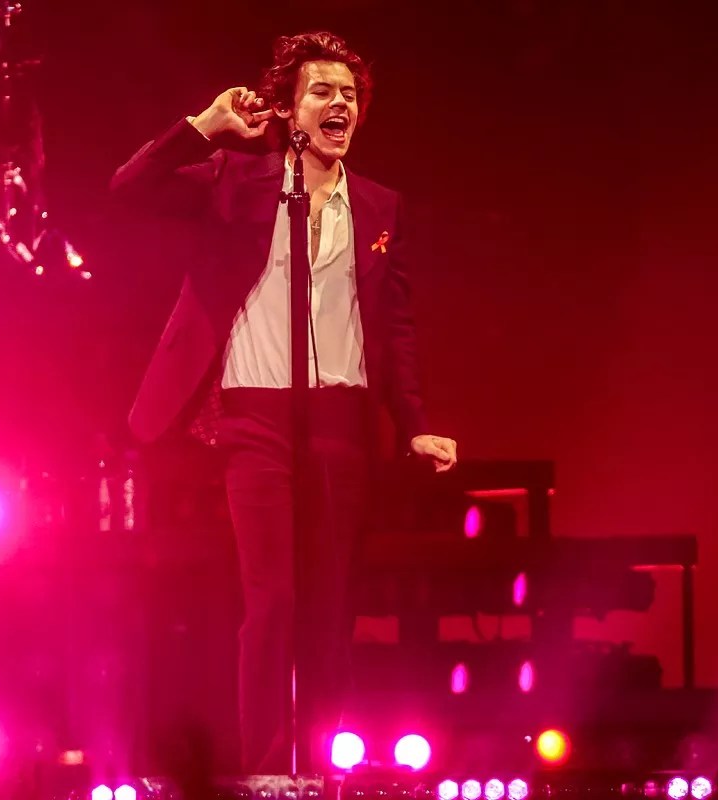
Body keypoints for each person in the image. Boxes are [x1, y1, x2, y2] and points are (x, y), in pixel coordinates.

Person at [108, 31, 458, 774]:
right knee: (272, 600)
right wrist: (202, 128)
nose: (340, 105)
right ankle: (268, 769)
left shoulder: (379, 205)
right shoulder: (236, 180)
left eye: (350, 95)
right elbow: (129, 188)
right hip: (256, 419)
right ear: (289, 111)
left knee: (330, 608)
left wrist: (414, 425)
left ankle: (326, 768)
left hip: (341, 422)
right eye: (322, 92)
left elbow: (393, 327)